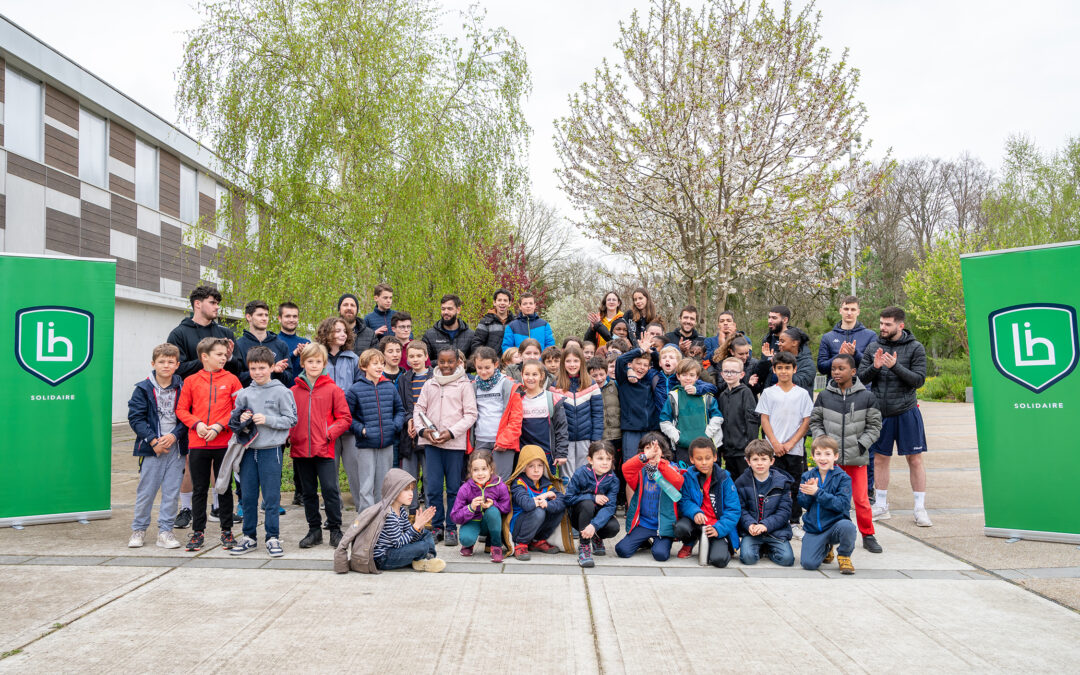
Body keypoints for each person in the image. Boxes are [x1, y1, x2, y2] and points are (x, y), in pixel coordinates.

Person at [167, 286, 240, 528]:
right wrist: (205, 363)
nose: (217, 307)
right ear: (197, 304)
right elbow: (174, 367)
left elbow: (237, 367)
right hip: (192, 406)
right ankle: (187, 508)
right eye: (212, 302)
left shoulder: (224, 333)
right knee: (191, 461)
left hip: (220, 410)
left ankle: (218, 507)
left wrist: (226, 359)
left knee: (219, 460)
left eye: (218, 302)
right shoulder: (179, 332)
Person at [858, 306, 932, 527]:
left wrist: (895, 366)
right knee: (880, 459)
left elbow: (918, 380)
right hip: (880, 412)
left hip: (907, 410)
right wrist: (876, 366)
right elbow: (861, 377)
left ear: (900, 325)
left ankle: (920, 508)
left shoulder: (915, 347)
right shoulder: (873, 346)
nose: (882, 328)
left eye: (887, 324)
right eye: (881, 323)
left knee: (915, 459)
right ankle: (881, 506)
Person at [228, 346, 298, 557]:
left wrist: (268, 420)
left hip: (271, 451)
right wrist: (240, 419)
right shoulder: (244, 393)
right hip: (248, 451)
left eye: (262, 368)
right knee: (248, 496)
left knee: (271, 497)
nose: (258, 372)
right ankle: (249, 536)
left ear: (271, 368)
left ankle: (272, 537)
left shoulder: (282, 392)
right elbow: (234, 420)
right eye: (253, 368)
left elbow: (291, 419)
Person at [810, 353, 884, 553]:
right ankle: (827, 535)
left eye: (841, 369)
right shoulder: (824, 396)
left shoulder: (866, 397)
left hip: (856, 458)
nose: (836, 372)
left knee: (861, 499)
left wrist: (861, 445)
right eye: (833, 369)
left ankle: (868, 535)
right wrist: (822, 445)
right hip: (830, 462)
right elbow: (815, 421)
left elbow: (875, 426)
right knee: (828, 498)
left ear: (853, 371)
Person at [175, 337, 242, 552]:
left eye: (225, 355)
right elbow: (182, 410)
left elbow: (238, 410)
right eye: (219, 355)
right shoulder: (192, 381)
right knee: (200, 489)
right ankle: (197, 532)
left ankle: (227, 530)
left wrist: (219, 427)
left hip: (223, 444)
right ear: (205, 357)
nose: (224, 358)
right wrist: (198, 424)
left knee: (223, 488)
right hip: (198, 444)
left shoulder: (232, 380)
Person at [415, 346, 478, 547]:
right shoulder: (430, 384)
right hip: (432, 444)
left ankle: (452, 527)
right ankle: (436, 526)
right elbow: (419, 409)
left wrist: (451, 432)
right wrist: (422, 431)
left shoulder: (464, 385)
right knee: (432, 488)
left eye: (450, 362)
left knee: (453, 489)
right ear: (436, 362)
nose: (446, 366)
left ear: (458, 362)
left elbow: (470, 415)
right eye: (442, 362)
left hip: (454, 445)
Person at [289, 342, 351, 549]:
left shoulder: (333, 390)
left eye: (318, 361)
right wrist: (291, 435)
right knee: (307, 492)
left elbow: (344, 418)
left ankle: (335, 528)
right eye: (310, 361)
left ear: (324, 363)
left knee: (330, 490)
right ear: (303, 363)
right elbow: (288, 417)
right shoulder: (293, 391)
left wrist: (329, 433)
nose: (314, 365)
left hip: (324, 448)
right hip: (300, 449)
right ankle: (314, 530)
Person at [127, 343, 188, 549]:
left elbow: (187, 417)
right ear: (153, 363)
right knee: (146, 491)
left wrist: (174, 436)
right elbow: (136, 418)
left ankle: (165, 532)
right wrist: (153, 441)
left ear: (177, 365)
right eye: (161, 362)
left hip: (175, 448)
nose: (166, 365)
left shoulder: (183, 388)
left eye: (171, 362)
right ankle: (139, 529)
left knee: (171, 492)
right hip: (152, 449)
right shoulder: (143, 389)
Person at [334, 468, 444, 574]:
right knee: (422, 546)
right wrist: (415, 526)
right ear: (394, 491)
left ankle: (428, 558)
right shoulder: (389, 514)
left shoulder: (400, 510)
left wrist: (419, 527)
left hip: (394, 550)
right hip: (383, 558)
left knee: (425, 534)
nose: (411, 493)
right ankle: (423, 558)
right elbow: (398, 543)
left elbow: (410, 536)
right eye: (406, 489)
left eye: (411, 489)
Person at [755, 351, 813, 537]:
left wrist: (790, 443)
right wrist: (774, 443)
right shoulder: (769, 392)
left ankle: (794, 521)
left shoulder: (802, 394)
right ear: (774, 370)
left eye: (787, 368)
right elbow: (765, 419)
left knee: (794, 486)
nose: (784, 371)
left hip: (794, 450)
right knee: (771, 485)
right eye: (779, 368)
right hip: (772, 450)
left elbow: (806, 422)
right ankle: (770, 521)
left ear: (794, 369)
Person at [345, 348, 405, 512]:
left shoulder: (389, 387)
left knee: (383, 485)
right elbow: (347, 417)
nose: (379, 367)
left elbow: (400, 410)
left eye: (381, 363)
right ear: (364, 366)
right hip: (365, 445)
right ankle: (366, 524)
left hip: (387, 443)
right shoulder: (355, 389)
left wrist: (394, 426)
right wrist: (362, 430)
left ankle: (383, 521)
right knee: (366, 486)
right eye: (375, 364)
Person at [315, 316, 362, 512]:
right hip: (326, 426)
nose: (342, 334)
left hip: (349, 423)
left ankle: (363, 508)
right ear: (327, 333)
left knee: (355, 468)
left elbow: (360, 388)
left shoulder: (354, 359)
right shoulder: (318, 358)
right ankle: (333, 508)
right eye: (337, 331)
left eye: (344, 331)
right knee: (329, 469)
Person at [616, 432, 684, 561]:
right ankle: (643, 541)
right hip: (644, 524)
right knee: (622, 550)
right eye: (648, 448)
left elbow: (678, 481)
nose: (652, 452)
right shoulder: (640, 473)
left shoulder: (671, 468)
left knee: (660, 555)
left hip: (663, 526)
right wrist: (645, 457)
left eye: (655, 449)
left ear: (663, 452)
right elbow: (626, 469)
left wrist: (660, 462)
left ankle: (660, 542)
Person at [673, 437, 740, 567]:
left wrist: (718, 529)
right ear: (692, 459)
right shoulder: (688, 476)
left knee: (719, 560)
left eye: (708, 458)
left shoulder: (724, 479)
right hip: (697, 521)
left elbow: (734, 510)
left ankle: (721, 544)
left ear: (715, 457)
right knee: (680, 528)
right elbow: (684, 500)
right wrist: (695, 512)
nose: (704, 462)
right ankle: (690, 542)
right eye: (699, 459)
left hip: (716, 525)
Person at [493, 360, 569, 469]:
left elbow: (561, 428)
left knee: (546, 485)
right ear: (522, 375)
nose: (530, 378)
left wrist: (561, 453)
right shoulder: (517, 398)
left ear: (542, 376)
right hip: (523, 455)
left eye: (535, 374)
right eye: (527, 374)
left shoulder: (552, 399)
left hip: (546, 454)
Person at [798, 436, 858, 574]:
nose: (822, 458)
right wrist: (808, 493)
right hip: (815, 528)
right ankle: (826, 548)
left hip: (835, 525)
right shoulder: (807, 476)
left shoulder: (843, 478)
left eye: (827, 454)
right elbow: (803, 504)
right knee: (808, 564)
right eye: (818, 454)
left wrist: (818, 492)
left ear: (835, 456)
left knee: (848, 527)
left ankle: (844, 555)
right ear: (812, 456)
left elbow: (842, 505)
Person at [736, 439, 796, 566]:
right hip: (752, 531)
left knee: (787, 560)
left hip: (775, 531)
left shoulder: (782, 483)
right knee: (748, 558)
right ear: (748, 462)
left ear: (772, 461)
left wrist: (765, 525)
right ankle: (759, 547)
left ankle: (768, 549)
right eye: (755, 459)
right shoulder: (741, 483)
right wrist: (750, 524)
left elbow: (784, 512)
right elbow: (740, 509)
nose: (760, 463)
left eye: (764, 459)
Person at [549, 345, 604, 483]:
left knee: (584, 474)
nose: (572, 365)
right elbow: (553, 418)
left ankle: (583, 502)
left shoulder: (591, 385)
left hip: (585, 439)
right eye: (568, 361)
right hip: (564, 440)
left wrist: (596, 440)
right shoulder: (555, 386)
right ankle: (568, 502)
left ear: (582, 362)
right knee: (567, 477)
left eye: (576, 361)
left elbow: (597, 415)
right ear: (563, 363)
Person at [505, 444, 568, 560]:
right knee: (539, 511)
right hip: (518, 528)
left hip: (535, 527)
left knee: (557, 509)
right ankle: (520, 544)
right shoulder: (518, 483)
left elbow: (562, 501)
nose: (536, 470)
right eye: (531, 466)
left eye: (540, 465)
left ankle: (537, 541)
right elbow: (527, 504)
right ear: (523, 467)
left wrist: (548, 504)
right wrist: (544, 496)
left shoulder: (545, 483)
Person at [565, 440, 621, 567]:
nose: (605, 462)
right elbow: (568, 498)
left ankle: (596, 536)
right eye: (600, 458)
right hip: (579, 515)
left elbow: (610, 507)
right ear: (590, 460)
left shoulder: (613, 480)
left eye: (608, 459)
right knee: (588, 503)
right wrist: (592, 497)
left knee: (614, 527)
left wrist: (594, 525)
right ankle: (584, 547)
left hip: (597, 518)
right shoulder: (581, 473)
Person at [659, 358, 724, 465]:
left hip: (706, 445)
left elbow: (717, 417)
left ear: (697, 377)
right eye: (684, 375)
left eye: (691, 375)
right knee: (686, 477)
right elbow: (664, 421)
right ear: (678, 376)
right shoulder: (673, 396)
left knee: (708, 477)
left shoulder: (706, 395)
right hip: (683, 447)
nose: (688, 378)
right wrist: (677, 437)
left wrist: (708, 433)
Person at [450, 450, 511, 562]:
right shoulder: (465, 488)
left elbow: (507, 507)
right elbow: (454, 516)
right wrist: (471, 507)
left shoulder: (499, 485)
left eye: (484, 469)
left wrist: (494, 504)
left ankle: (496, 546)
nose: (480, 473)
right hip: (473, 521)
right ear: (470, 471)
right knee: (466, 539)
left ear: (491, 469)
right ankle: (468, 545)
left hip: (492, 523)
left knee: (492, 511)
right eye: (476, 470)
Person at [470, 346, 516, 479]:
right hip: (481, 438)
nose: (483, 372)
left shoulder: (506, 383)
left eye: (487, 367)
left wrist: (505, 439)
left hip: (502, 440)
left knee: (501, 480)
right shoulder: (473, 385)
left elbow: (514, 415)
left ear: (495, 364)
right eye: (479, 368)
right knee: (481, 479)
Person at [397, 340, 432, 513]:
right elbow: (402, 405)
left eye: (419, 355)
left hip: (429, 432)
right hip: (409, 434)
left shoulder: (434, 377)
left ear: (426, 356)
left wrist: (421, 424)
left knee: (429, 475)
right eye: (411, 356)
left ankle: (429, 511)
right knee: (409, 476)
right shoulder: (404, 379)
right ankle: (411, 510)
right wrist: (409, 419)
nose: (415, 359)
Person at [716, 356, 760, 480]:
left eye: (734, 372)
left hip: (743, 450)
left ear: (741, 374)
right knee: (732, 481)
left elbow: (752, 421)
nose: (729, 375)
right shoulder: (723, 396)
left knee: (745, 481)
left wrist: (750, 446)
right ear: (722, 374)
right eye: (726, 371)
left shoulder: (745, 393)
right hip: (729, 450)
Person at [234, 301, 293, 387]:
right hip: (250, 398)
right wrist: (267, 370)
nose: (264, 318)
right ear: (249, 317)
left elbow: (288, 378)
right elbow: (237, 377)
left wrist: (278, 372)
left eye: (266, 315)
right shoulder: (239, 345)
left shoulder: (280, 345)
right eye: (260, 315)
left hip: (274, 397)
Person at [615, 344, 661, 454]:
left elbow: (661, 365)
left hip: (650, 429)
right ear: (630, 364)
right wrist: (640, 350)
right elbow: (620, 360)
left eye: (645, 365)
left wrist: (651, 351)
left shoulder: (649, 380)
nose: (641, 367)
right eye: (638, 363)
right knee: (631, 462)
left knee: (650, 463)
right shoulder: (624, 380)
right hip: (631, 430)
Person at [817, 295, 877, 376]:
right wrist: (838, 357)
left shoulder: (870, 335)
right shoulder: (828, 337)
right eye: (846, 309)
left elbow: (874, 366)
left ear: (858, 312)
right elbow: (821, 368)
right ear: (840, 311)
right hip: (835, 387)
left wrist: (855, 354)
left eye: (853, 309)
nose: (849, 313)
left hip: (862, 386)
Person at [755, 327, 814, 397]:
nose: (779, 344)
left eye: (782, 341)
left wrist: (780, 367)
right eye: (779, 341)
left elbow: (800, 383)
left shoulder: (807, 363)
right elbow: (759, 377)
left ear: (794, 343)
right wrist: (767, 361)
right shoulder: (776, 358)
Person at [422, 294, 475, 362]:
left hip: (463, 372)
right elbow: (425, 362)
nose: (446, 312)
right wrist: (444, 362)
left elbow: (475, 362)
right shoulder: (429, 335)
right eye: (443, 309)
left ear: (458, 310)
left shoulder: (471, 335)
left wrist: (462, 364)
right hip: (437, 372)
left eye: (449, 309)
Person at [472, 288, 514, 355]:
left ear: (509, 303)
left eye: (505, 300)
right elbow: (477, 343)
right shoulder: (486, 321)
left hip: (510, 362)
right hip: (491, 362)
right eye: (499, 300)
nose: (502, 303)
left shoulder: (515, 322)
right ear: (494, 302)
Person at [276, 302, 310, 381]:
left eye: (294, 316)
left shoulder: (305, 343)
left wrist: (305, 355)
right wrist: (294, 354)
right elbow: (273, 367)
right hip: (280, 391)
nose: (291, 320)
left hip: (302, 390)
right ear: (279, 318)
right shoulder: (273, 341)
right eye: (287, 316)